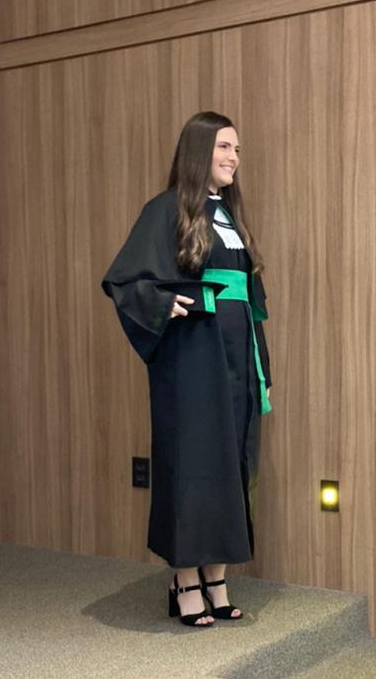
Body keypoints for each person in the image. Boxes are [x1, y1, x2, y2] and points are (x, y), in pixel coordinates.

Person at [102, 112, 272, 626]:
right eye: (224, 147)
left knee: (232, 459)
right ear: (199, 151)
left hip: (239, 354)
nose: (233, 158)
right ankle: (185, 580)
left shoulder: (232, 217)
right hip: (194, 354)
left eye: (237, 149)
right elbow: (126, 280)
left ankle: (216, 577)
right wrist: (162, 303)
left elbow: (250, 295)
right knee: (194, 459)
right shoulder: (166, 209)